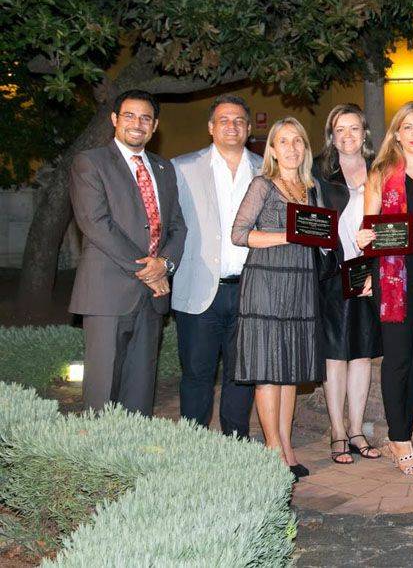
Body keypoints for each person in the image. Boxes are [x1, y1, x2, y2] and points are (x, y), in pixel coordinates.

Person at [69, 89, 186, 417]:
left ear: (155, 125)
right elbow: (96, 223)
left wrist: (164, 264)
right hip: (107, 293)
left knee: (140, 388)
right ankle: (97, 462)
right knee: (102, 389)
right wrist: (150, 270)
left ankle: (131, 459)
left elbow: (177, 226)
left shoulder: (164, 169)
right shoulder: (90, 162)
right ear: (114, 120)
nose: (138, 123)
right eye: (130, 116)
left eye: (146, 117)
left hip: (151, 298)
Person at [356, 101, 413, 475]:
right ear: (396, 133)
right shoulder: (380, 175)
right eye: (407, 127)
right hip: (394, 277)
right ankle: (400, 439)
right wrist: (364, 239)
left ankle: (402, 433)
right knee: (397, 360)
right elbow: (369, 230)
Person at [231, 117, 325, 479]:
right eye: (283, 141)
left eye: (297, 141)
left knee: (288, 370)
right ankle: (271, 450)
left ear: (305, 148)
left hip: (300, 282)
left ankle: (286, 446)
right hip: (267, 283)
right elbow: (240, 234)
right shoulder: (262, 185)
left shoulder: (311, 188)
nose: (291, 148)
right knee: (269, 370)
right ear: (271, 149)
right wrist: (288, 235)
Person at [171, 95, 261, 438]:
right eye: (223, 120)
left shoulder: (265, 168)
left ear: (249, 129)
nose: (231, 126)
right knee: (196, 374)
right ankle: (193, 445)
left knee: (241, 374)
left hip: (250, 291)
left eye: (239, 120)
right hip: (199, 289)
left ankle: (234, 444)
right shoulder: (183, 168)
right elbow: (171, 225)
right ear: (211, 128)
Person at [313, 104, 383, 465]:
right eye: (340, 129)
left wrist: (377, 264)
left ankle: (357, 430)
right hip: (332, 272)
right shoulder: (319, 171)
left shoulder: (381, 169)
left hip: (369, 272)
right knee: (335, 354)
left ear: (364, 133)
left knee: (362, 354)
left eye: (354, 128)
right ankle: (337, 430)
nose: (347, 136)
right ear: (331, 134)